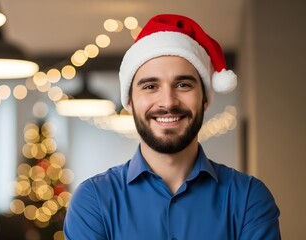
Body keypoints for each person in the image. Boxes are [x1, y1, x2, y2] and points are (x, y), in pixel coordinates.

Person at [63, 14, 281, 240]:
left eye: (183, 84)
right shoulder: (93, 200)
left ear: (205, 98)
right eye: (150, 86)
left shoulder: (248, 198)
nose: (168, 102)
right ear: (129, 102)